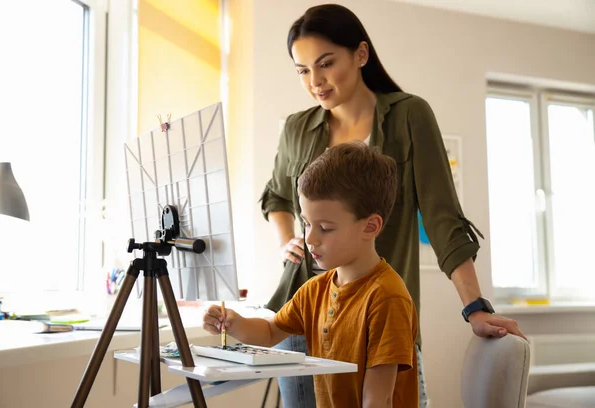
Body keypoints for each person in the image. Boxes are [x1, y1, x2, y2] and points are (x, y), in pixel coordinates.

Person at [259, 4, 527, 408]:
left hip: (378, 316)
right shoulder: (298, 128)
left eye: (326, 63)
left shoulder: (409, 116)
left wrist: (474, 307)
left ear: (361, 54)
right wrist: (286, 241)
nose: (315, 81)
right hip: (302, 316)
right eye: (302, 70)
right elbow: (276, 196)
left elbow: (442, 218)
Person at [205, 142, 418, 407]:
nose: (310, 239)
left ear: (370, 226)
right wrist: (234, 323)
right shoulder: (314, 290)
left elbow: (378, 399)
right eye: (306, 223)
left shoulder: (387, 297)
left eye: (326, 228)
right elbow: (271, 332)